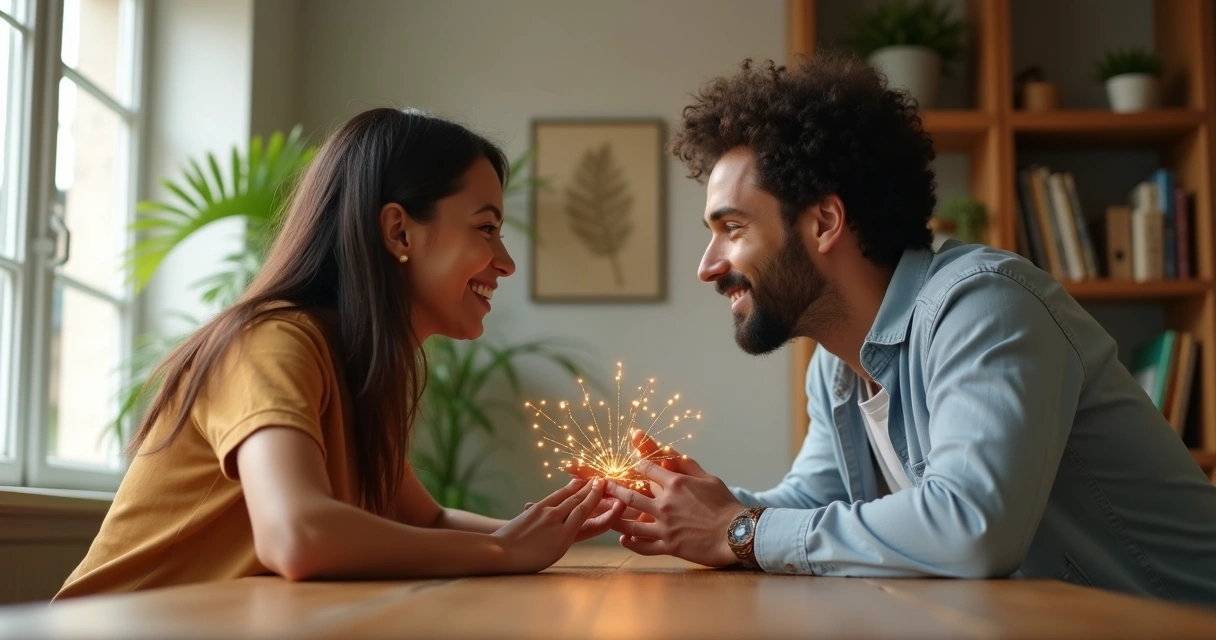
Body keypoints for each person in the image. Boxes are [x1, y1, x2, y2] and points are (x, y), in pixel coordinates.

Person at [601, 53, 1216, 607]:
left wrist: (738, 530)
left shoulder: (983, 306)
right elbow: (813, 506)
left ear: (824, 222)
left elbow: (973, 528)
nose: (708, 266)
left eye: (731, 228)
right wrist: (674, 501)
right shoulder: (837, 366)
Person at [55, 108, 622, 600]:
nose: (505, 262)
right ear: (400, 232)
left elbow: (428, 519)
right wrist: (504, 554)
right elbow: (297, 536)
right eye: (486, 228)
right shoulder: (271, 343)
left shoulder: (356, 367)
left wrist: (546, 530)